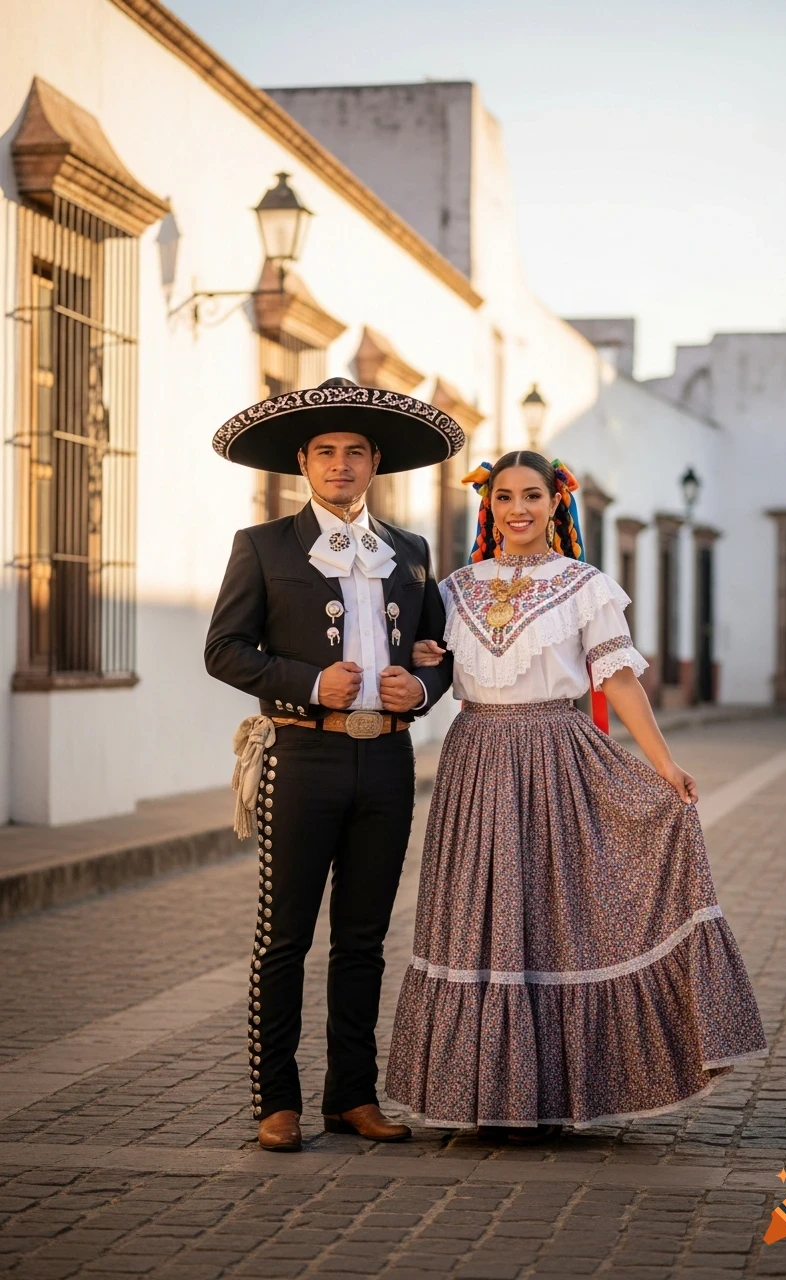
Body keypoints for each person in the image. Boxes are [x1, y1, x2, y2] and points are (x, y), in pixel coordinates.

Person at [386, 450, 767, 1142]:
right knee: (481, 918)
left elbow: (618, 682)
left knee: (553, 920)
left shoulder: (584, 585)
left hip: (557, 759)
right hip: (473, 761)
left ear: (557, 503)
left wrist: (664, 766)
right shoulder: (454, 589)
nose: (519, 509)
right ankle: (485, 1093)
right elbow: (426, 665)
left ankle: (551, 1093)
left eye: (533, 495)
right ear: (489, 506)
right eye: (505, 497)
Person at [205, 377, 463, 1151]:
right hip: (301, 753)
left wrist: (419, 685)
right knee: (284, 938)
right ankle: (275, 1102)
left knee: (363, 941)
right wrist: (311, 681)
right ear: (303, 464)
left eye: (355, 452)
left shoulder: (411, 552)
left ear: (375, 461)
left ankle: (352, 1096)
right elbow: (223, 650)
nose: (341, 465)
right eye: (326, 452)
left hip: (385, 761)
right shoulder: (262, 546)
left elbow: (441, 655)